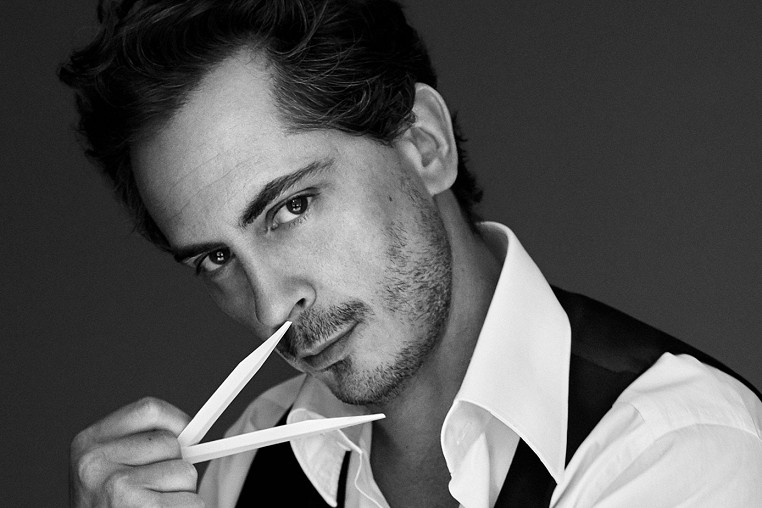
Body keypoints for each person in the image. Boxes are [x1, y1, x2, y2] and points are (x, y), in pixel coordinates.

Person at [60, 0, 762, 506]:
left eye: (291, 208)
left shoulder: (676, 448)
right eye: (215, 260)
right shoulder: (240, 472)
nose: (271, 306)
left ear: (424, 145)